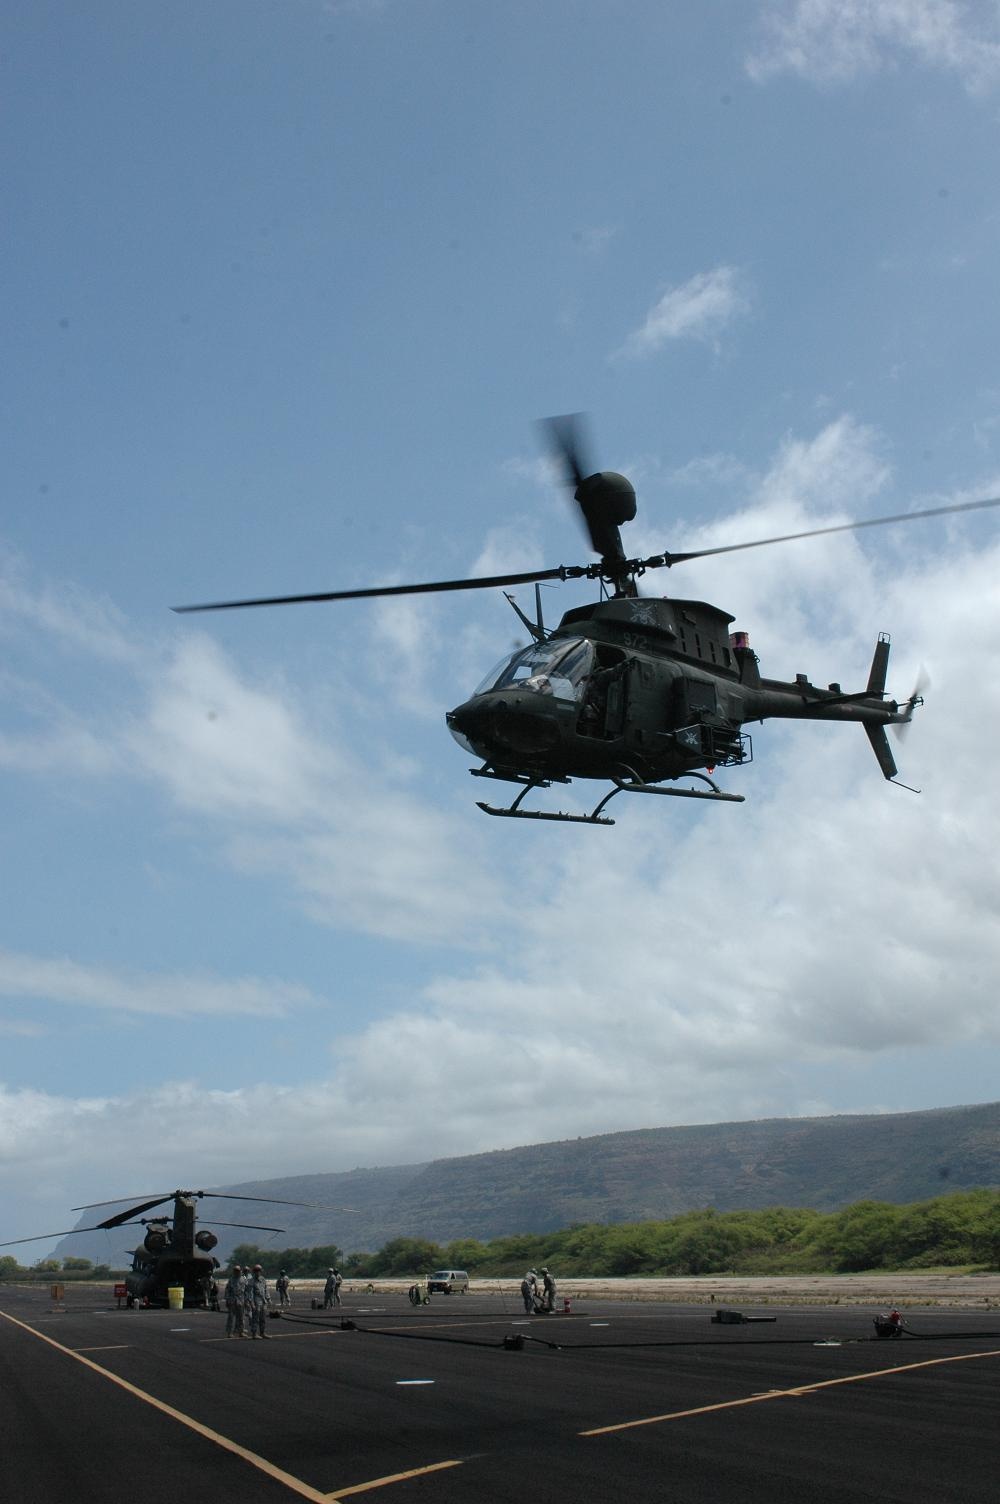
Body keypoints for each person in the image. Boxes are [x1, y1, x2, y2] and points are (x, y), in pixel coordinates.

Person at [249, 1264, 271, 1338]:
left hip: (263, 1301)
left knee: (263, 1318)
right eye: (256, 1271)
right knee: (255, 1318)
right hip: (256, 1301)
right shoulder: (251, 1281)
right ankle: (254, 1333)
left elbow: (266, 1289)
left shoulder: (263, 1279)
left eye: (259, 1271)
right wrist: (252, 1304)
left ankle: (262, 1332)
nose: (258, 1272)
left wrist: (268, 1299)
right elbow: (250, 1293)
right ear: (254, 1272)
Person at [224, 1264, 246, 1338]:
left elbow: (247, 1291)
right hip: (232, 1300)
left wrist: (247, 1301)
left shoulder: (243, 1279)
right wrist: (227, 1300)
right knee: (230, 1317)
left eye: (238, 1271)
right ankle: (229, 1332)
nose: (237, 1272)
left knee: (241, 1317)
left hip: (241, 1300)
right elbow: (227, 1290)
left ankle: (241, 1332)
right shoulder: (231, 1279)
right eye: (235, 1271)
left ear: (240, 1271)